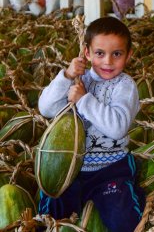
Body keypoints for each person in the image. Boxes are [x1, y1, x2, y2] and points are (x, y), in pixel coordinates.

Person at [38, 16, 146, 232]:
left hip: (111, 169)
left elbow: (117, 128)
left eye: (116, 54)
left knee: (123, 219)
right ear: (87, 53)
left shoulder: (125, 86)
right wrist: (66, 76)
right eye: (100, 53)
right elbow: (46, 108)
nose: (107, 61)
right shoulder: (80, 80)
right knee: (49, 215)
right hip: (72, 171)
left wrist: (84, 101)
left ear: (128, 55)